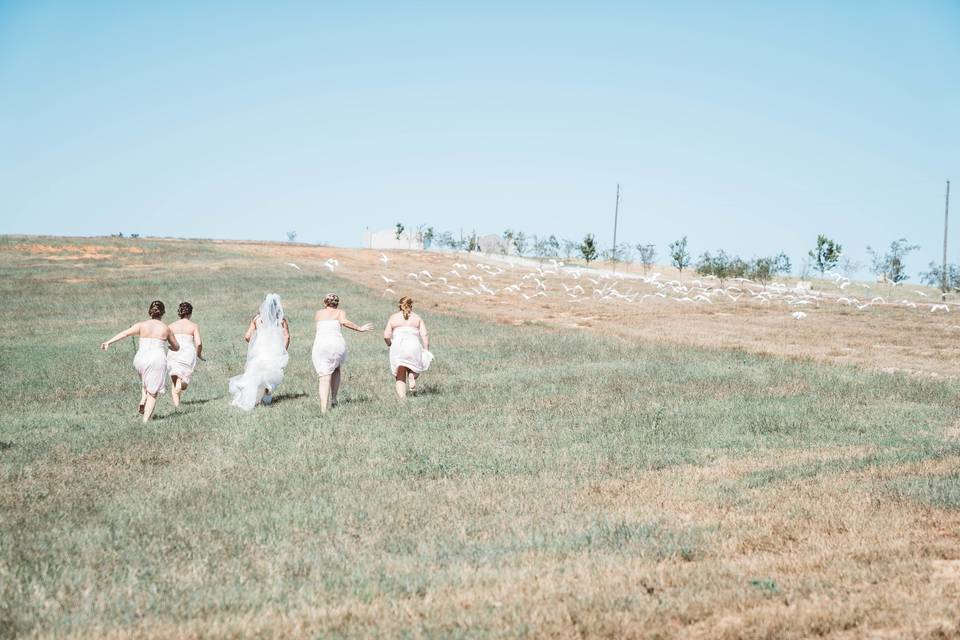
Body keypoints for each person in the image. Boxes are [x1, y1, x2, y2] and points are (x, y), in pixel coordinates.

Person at [101, 300, 180, 423]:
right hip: (156, 359)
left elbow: (125, 333)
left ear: (150, 312)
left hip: (140, 359)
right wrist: (169, 347)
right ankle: (145, 421)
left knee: (146, 380)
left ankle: (143, 399)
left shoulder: (141, 325)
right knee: (153, 393)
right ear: (163, 313)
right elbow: (176, 347)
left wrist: (108, 342)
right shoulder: (166, 328)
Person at [312, 293, 373, 414]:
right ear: (337, 303)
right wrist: (360, 328)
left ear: (325, 303)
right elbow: (345, 322)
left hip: (321, 345)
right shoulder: (340, 312)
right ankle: (334, 399)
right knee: (336, 369)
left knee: (324, 377)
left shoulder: (318, 313)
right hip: (336, 344)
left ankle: (323, 409)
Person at [229, 294, 290, 410]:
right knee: (272, 375)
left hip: (259, 351)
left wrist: (255, 343)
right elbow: (287, 337)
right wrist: (283, 351)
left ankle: (247, 397)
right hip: (274, 351)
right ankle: (267, 397)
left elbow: (247, 336)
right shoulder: (281, 321)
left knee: (253, 374)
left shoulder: (257, 319)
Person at [383, 296, 432, 399]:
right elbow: (424, 334)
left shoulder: (393, 317)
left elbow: (386, 336)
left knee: (400, 374)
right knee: (415, 367)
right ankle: (412, 375)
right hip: (413, 345)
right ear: (411, 305)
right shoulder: (417, 318)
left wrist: (390, 344)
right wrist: (426, 349)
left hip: (397, 346)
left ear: (399, 306)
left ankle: (402, 400)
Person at [166, 302, 203, 408]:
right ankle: (179, 389)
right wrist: (199, 354)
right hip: (188, 354)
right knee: (183, 383)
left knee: (175, 380)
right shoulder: (193, 326)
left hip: (173, 353)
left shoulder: (171, 326)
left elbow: (166, 340)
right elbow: (199, 343)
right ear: (190, 314)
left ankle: (177, 406)